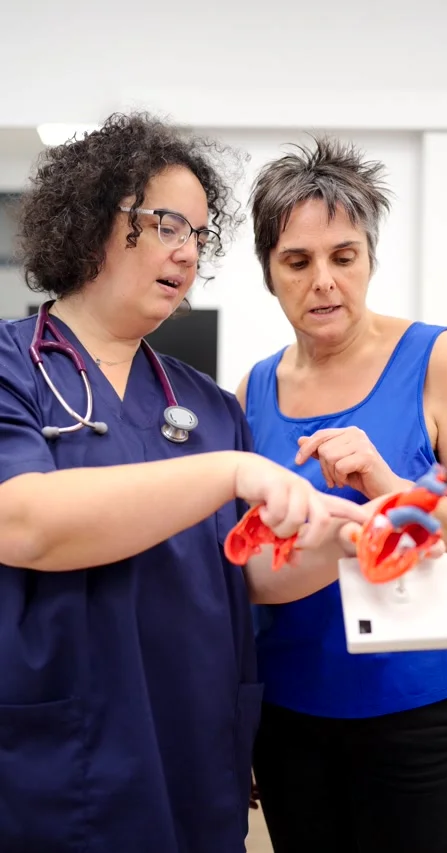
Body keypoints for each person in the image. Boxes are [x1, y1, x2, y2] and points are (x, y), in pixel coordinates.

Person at [0, 115, 369, 853]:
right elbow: (25, 523)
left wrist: (340, 543)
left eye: (199, 234)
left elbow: (244, 571)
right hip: (66, 748)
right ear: (92, 221)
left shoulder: (208, 406)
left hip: (193, 744)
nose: (188, 251)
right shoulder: (16, 371)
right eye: (168, 224)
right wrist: (230, 472)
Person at [238, 136, 447, 853]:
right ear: (269, 272)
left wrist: (393, 490)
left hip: (423, 710)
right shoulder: (253, 389)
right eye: (297, 261)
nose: (324, 281)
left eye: (343, 256)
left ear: (369, 258)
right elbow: (245, 565)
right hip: (290, 713)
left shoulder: (437, 358)